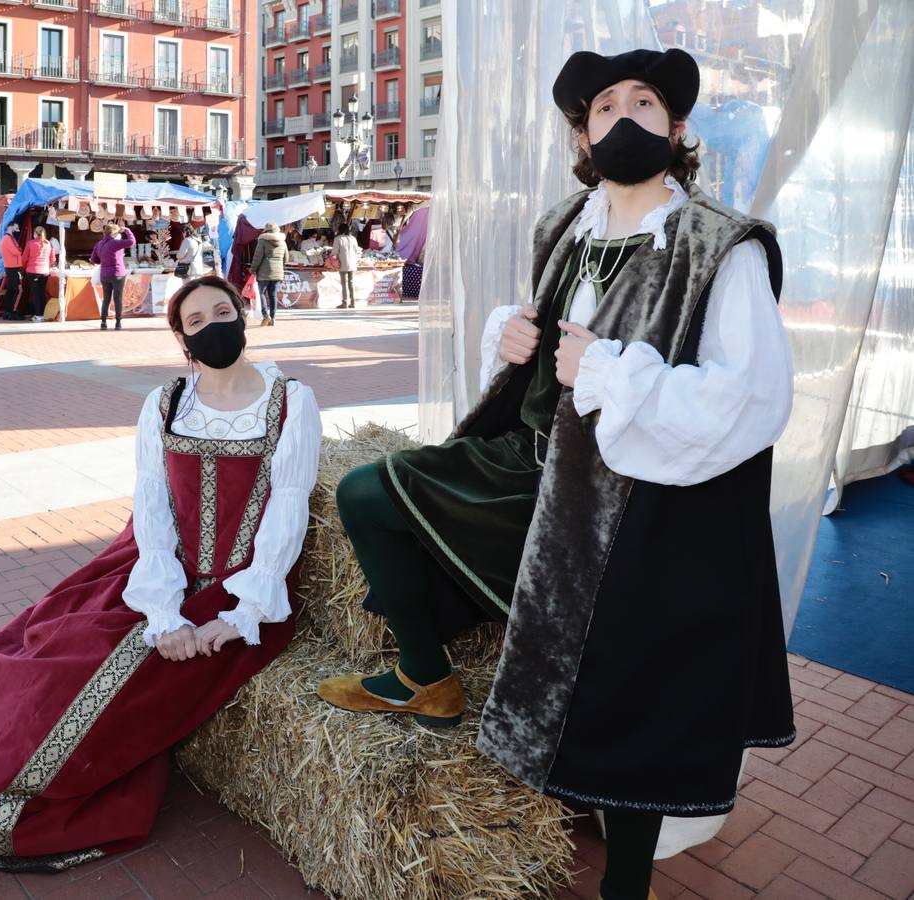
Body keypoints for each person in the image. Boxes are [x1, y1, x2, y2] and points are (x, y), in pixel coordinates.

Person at [315, 48, 796, 900]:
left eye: (643, 103)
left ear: (675, 128)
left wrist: (611, 372)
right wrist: (512, 339)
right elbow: (537, 363)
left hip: (635, 511)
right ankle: (428, 676)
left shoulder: (721, 247)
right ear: (581, 130)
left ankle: (628, 884)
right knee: (366, 491)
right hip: (530, 471)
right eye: (603, 106)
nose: (623, 118)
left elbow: (750, 402)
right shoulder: (563, 227)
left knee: (631, 684)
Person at [0, 274, 322, 869]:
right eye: (197, 321)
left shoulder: (292, 401)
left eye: (224, 312)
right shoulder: (166, 403)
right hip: (160, 574)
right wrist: (163, 613)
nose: (214, 325)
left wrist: (239, 615)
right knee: (58, 658)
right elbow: (154, 508)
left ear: (244, 316)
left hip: (244, 593)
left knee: (114, 687)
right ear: (183, 341)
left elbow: (287, 508)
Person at [90, 222, 136, 330]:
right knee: (117, 298)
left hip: (105, 275)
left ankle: (103, 322)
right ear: (113, 233)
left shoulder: (99, 244)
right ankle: (118, 322)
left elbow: (94, 260)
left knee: (106, 299)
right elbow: (132, 241)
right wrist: (127, 230)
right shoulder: (115, 243)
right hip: (117, 273)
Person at [250, 222, 286, 327]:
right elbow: (286, 258)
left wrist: (253, 269)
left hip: (263, 273)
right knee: (273, 295)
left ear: (266, 230)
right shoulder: (282, 242)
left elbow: (257, 257)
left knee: (262, 293)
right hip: (277, 272)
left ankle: (266, 316)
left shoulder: (262, 241)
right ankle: (273, 317)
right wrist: (280, 267)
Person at [22, 225, 57, 323]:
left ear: (34, 234)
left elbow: (24, 259)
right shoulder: (49, 244)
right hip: (45, 272)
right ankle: (42, 314)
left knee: (35, 294)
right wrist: (47, 266)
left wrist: (25, 267)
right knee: (41, 293)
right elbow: (53, 259)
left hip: (33, 271)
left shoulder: (30, 243)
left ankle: (38, 315)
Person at [0, 223, 24, 320]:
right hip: (13, 267)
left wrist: (18, 250)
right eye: (16, 226)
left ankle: (8, 311)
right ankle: (11, 311)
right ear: (11, 226)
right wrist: (19, 250)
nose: (18, 228)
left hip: (12, 267)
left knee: (12, 290)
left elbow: (17, 251)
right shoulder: (7, 239)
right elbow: (16, 252)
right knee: (16, 289)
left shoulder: (9, 238)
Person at [331, 223, 360, 309]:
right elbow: (357, 250)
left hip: (343, 263)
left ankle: (345, 302)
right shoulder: (353, 238)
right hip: (353, 263)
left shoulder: (338, 239)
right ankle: (353, 302)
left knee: (344, 284)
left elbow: (334, 252)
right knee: (351, 283)